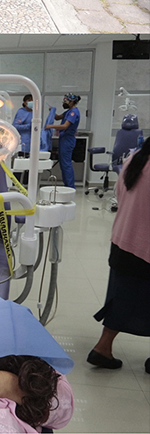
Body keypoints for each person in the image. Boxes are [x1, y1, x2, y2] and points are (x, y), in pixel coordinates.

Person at [88, 140, 150, 373]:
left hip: (124, 242)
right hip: (145, 245)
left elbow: (121, 196)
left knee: (121, 296)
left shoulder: (134, 159)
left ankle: (103, 348)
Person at [45, 94, 82, 188]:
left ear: (72, 102)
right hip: (63, 139)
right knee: (63, 164)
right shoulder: (68, 112)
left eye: (66, 101)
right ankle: (67, 185)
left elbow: (65, 126)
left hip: (68, 140)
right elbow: (57, 118)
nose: (64, 103)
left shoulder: (74, 112)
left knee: (66, 164)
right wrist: (52, 111)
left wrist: (50, 126)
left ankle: (70, 187)